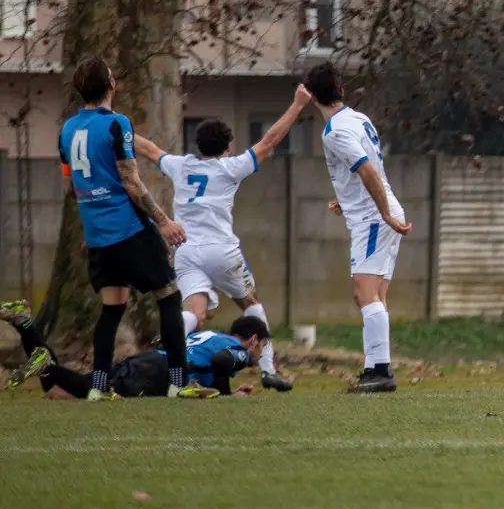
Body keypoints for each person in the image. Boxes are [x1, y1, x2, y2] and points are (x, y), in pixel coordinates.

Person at [133, 84, 311, 392]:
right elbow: (269, 141)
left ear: (198, 145)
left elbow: (148, 149)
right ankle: (268, 370)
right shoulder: (231, 167)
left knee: (193, 313)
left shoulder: (181, 165)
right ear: (227, 147)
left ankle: (172, 362)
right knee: (252, 304)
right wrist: (297, 105)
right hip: (221, 251)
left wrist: (115, 127)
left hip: (186, 250)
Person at [58, 55, 190, 401]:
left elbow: (70, 187)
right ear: (111, 83)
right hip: (129, 228)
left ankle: (98, 388)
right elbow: (131, 181)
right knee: (169, 296)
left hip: (98, 236)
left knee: (113, 307)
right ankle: (179, 381)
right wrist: (164, 222)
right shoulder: (117, 123)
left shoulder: (67, 131)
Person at [303, 62, 412, 393]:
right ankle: (374, 368)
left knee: (365, 294)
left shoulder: (335, 131)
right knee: (374, 295)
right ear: (342, 91)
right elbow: (366, 169)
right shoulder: (359, 118)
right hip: (377, 211)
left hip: (375, 217)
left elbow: (367, 170)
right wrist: (348, 203)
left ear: (311, 97)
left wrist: (383, 215)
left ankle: (381, 371)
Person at [2, 300, 268, 399]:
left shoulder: (213, 335)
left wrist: (228, 390)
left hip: (152, 362)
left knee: (57, 391)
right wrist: (225, 397)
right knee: (98, 393)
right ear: (253, 339)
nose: (260, 354)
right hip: (157, 372)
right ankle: (46, 365)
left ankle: (24, 323)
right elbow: (222, 361)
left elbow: (210, 361)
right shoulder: (238, 350)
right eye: (263, 347)